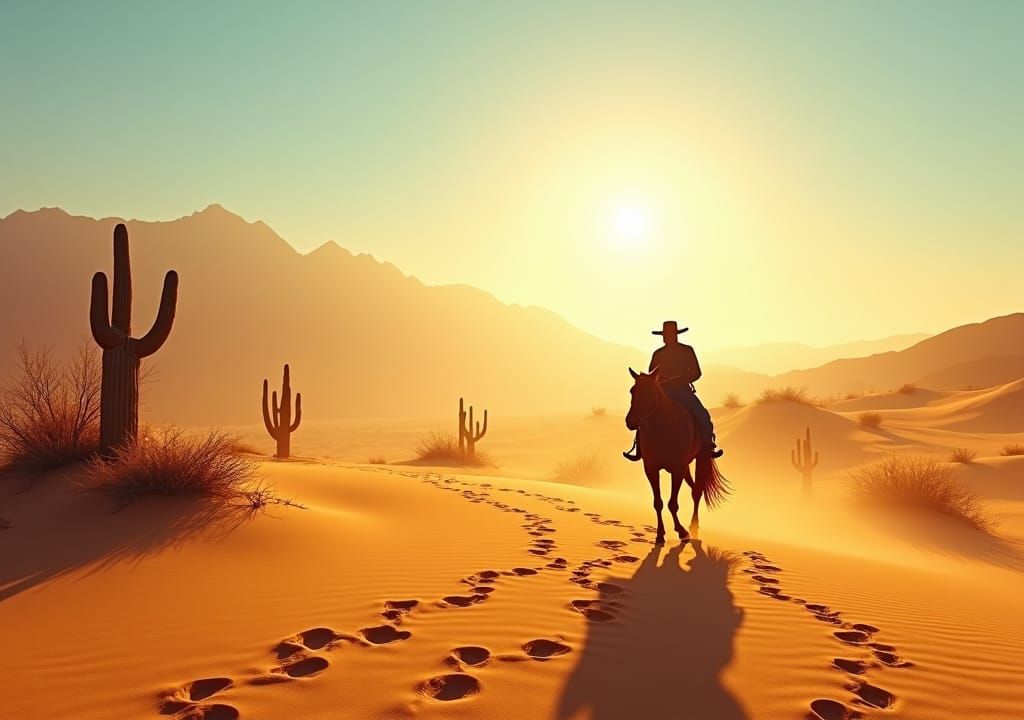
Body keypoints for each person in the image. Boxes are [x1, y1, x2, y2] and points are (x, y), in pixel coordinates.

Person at [624, 320, 723, 461]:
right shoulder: (657, 354)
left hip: (683, 391)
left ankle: (708, 445)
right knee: (644, 412)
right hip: (662, 391)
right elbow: (651, 376)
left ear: (675, 335)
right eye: (664, 335)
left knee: (702, 415)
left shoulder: (687, 350)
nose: (666, 337)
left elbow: (696, 373)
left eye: (668, 335)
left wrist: (679, 379)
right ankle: (639, 447)